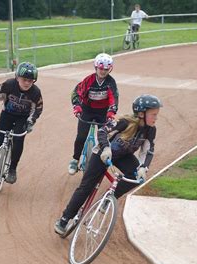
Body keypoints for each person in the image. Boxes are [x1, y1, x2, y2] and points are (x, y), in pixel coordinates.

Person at [54, 94, 162, 235]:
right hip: (104, 154)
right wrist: (105, 147)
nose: (156, 118)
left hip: (123, 156)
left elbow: (147, 151)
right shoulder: (124, 122)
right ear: (141, 113)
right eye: (153, 114)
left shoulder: (150, 130)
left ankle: (109, 198)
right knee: (86, 187)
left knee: (137, 177)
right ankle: (64, 218)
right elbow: (102, 131)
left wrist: (143, 168)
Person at [0, 62, 43, 184]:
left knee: (18, 141)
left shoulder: (35, 92)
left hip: (23, 118)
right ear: (17, 77)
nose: (27, 83)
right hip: (7, 115)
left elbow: (38, 108)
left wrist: (30, 121)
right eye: (24, 79)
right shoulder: (9, 85)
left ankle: (12, 169)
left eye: (30, 81)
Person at [67, 53, 119, 175]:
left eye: (106, 69)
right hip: (87, 110)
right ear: (96, 67)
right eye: (101, 68)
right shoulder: (89, 80)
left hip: (103, 112)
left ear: (109, 69)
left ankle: (99, 164)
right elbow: (77, 92)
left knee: (104, 138)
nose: (103, 72)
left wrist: (111, 111)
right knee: (81, 136)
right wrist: (77, 106)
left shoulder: (110, 82)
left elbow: (114, 98)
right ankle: (75, 159)